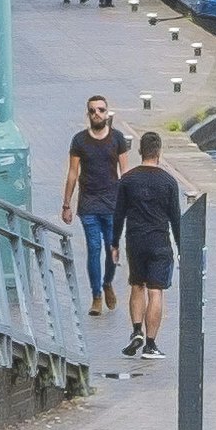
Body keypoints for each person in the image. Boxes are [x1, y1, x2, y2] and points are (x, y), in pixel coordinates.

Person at [111, 141, 186, 359]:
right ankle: (151, 345)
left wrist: (114, 242)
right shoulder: (169, 181)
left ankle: (136, 331)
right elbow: (175, 219)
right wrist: (182, 248)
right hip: (159, 242)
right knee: (155, 292)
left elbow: (118, 215)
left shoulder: (128, 179)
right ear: (159, 152)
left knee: (137, 286)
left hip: (135, 241)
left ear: (140, 151)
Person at [68, 99, 130, 300]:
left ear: (107, 113)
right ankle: (96, 295)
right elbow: (72, 173)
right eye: (92, 110)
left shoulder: (117, 138)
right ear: (88, 114)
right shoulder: (79, 141)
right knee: (93, 249)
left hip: (113, 205)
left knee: (112, 248)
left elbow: (125, 172)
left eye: (101, 110)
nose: (97, 113)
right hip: (88, 205)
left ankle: (107, 282)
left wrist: (129, 201)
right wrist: (66, 204)